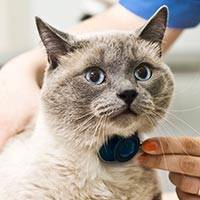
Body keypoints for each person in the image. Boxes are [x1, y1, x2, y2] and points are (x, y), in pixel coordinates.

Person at [0, 0, 200, 199]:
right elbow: (129, 16)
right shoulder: (31, 178)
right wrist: (18, 69)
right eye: (95, 76)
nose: (127, 89)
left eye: (142, 72)